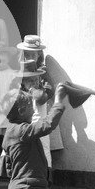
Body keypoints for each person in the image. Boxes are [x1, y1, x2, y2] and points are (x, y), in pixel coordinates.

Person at [16, 35, 64, 173]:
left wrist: (38, 92)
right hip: (23, 115)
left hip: (41, 113)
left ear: (39, 55)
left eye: (34, 53)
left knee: (43, 145)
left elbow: (49, 91)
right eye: (28, 53)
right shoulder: (19, 71)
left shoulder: (42, 71)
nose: (31, 56)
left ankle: (45, 176)